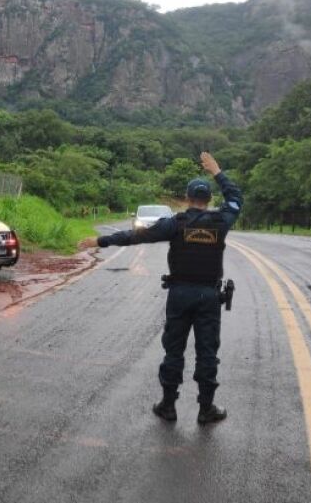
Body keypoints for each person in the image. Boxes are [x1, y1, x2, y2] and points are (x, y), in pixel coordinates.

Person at [81, 152, 242, 424]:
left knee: (174, 350)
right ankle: (206, 409)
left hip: (180, 295)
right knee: (207, 353)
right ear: (209, 200)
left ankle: (168, 406)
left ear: (187, 198)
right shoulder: (220, 222)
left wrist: (100, 241)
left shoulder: (175, 224)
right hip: (209, 297)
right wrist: (217, 171)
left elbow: (135, 235)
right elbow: (236, 198)